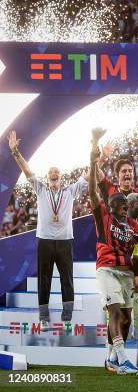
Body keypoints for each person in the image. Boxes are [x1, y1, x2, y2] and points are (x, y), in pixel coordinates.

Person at [89, 128, 138, 375]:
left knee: (124, 319)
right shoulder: (106, 202)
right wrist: (96, 149)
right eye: (123, 171)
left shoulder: (134, 213)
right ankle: (122, 360)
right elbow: (92, 185)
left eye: (129, 173)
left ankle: (111, 358)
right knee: (114, 313)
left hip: (127, 265)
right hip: (108, 265)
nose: (127, 175)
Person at [8, 130, 87, 329]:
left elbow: (87, 177)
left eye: (57, 172)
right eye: (51, 171)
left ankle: (67, 318)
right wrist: (16, 152)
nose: (53, 174)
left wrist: (98, 157)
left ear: (61, 177)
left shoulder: (70, 191)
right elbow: (27, 172)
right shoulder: (41, 189)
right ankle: (44, 318)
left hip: (64, 241)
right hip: (44, 240)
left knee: (67, 280)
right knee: (44, 280)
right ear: (47, 176)